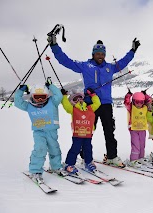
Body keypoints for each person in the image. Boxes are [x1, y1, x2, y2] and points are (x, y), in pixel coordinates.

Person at [48, 34, 140, 167]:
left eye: (102, 53)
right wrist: (54, 46)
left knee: (109, 131)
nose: (100, 56)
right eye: (97, 53)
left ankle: (112, 156)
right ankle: (85, 156)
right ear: (93, 54)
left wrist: (132, 51)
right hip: (90, 103)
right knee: (87, 130)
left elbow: (124, 61)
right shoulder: (85, 66)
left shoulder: (110, 67)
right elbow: (65, 61)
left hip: (106, 104)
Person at [14, 78, 63, 182]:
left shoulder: (52, 102)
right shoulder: (29, 106)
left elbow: (59, 95)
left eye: (43, 97)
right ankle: (35, 170)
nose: (40, 100)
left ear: (47, 96)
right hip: (39, 132)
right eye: (37, 97)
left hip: (52, 131)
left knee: (55, 149)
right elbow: (17, 102)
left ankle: (56, 167)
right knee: (40, 149)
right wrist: (21, 90)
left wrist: (51, 86)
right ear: (32, 96)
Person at [61, 88, 101, 174]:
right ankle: (69, 164)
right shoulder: (73, 109)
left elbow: (97, 103)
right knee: (75, 149)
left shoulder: (90, 108)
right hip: (77, 134)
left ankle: (88, 162)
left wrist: (93, 95)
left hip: (88, 134)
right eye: (75, 99)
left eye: (80, 97)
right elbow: (66, 105)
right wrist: (64, 96)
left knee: (88, 148)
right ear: (72, 101)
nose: (79, 100)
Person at [124, 90, 152, 168]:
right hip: (133, 129)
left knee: (142, 145)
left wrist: (145, 94)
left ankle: (140, 158)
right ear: (133, 101)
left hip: (142, 129)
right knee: (136, 145)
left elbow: (150, 100)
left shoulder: (145, 107)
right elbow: (126, 102)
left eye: (141, 102)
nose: (139, 104)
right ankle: (133, 160)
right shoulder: (131, 107)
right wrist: (129, 95)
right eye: (137, 102)